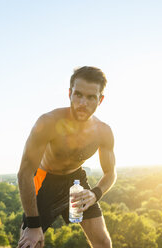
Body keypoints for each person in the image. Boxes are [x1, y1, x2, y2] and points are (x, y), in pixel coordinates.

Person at [17, 66, 116, 248]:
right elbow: (24, 173)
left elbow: (110, 173)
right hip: (44, 179)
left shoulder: (103, 132)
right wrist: (32, 224)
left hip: (76, 181)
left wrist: (95, 194)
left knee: (103, 242)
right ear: (69, 93)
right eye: (78, 94)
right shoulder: (48, 122)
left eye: (91, 97)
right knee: (31, 243)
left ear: (100, 100)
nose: (82, 103)